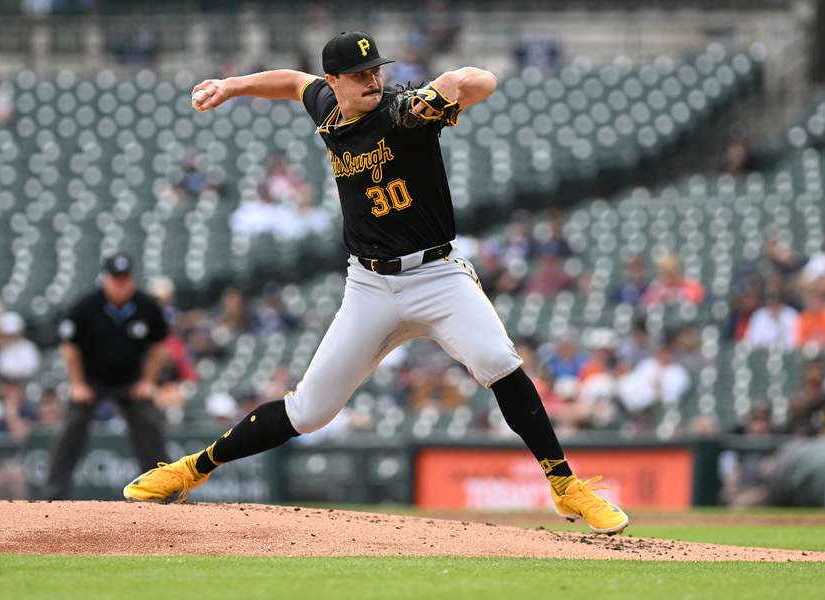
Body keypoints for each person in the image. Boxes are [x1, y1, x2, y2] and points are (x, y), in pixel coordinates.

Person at [123, 31, 628, 534]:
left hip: (435, 274)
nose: (372, 80)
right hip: (369, 285)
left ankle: (566, 487)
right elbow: (291, 82)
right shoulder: (325, 105)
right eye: (361, 74)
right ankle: (190, 470)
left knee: (498, 362)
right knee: (311, 409)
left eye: (377, 70)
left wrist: (451, 82)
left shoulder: (403, 113)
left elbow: (483, 83)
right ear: (335, 82)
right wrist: (232, 86)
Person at [45, 253, 170, 500]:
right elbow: (70, 346)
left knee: (149, 426)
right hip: (92, 381)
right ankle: (54, 494)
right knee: (72, 426)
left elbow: (159, 347)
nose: (120, 284)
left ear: (132, 279)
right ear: (106, 279)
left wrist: (147, 381)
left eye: (125, 279)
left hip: (131, 381)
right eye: (115, 279)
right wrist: (77, 384)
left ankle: (164, 491)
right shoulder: (86, 305)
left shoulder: (147, 306)